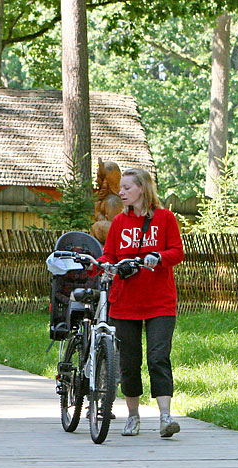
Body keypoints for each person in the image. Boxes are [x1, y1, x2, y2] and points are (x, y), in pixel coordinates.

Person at [96, 167, 184, 438]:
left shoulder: (166, 219)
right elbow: (109, 254)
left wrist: (159, 258)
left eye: (127, 188)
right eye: (120, 188)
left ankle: (165, 417)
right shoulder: (119, 224)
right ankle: (133, 416)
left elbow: (177, 251)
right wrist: (101, 266)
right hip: (124, 302)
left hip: (160, 302)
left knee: (158, 357)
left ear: (143, 189)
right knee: (129, 363)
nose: (121, 192)